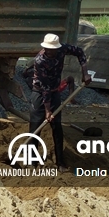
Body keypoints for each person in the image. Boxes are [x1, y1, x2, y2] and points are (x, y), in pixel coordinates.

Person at [30, 33, 91, 169]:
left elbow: (79, 52)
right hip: (39, 93)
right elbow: (45, 87)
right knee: (35, 128)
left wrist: (85, 73)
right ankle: (32, 162)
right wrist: (48, 111)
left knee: (57, 128)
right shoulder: (40, 60)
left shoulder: (62, 49)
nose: (50, 52)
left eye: (52, 49)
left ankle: (60, 162)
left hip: (54, 92)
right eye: (47, 49)